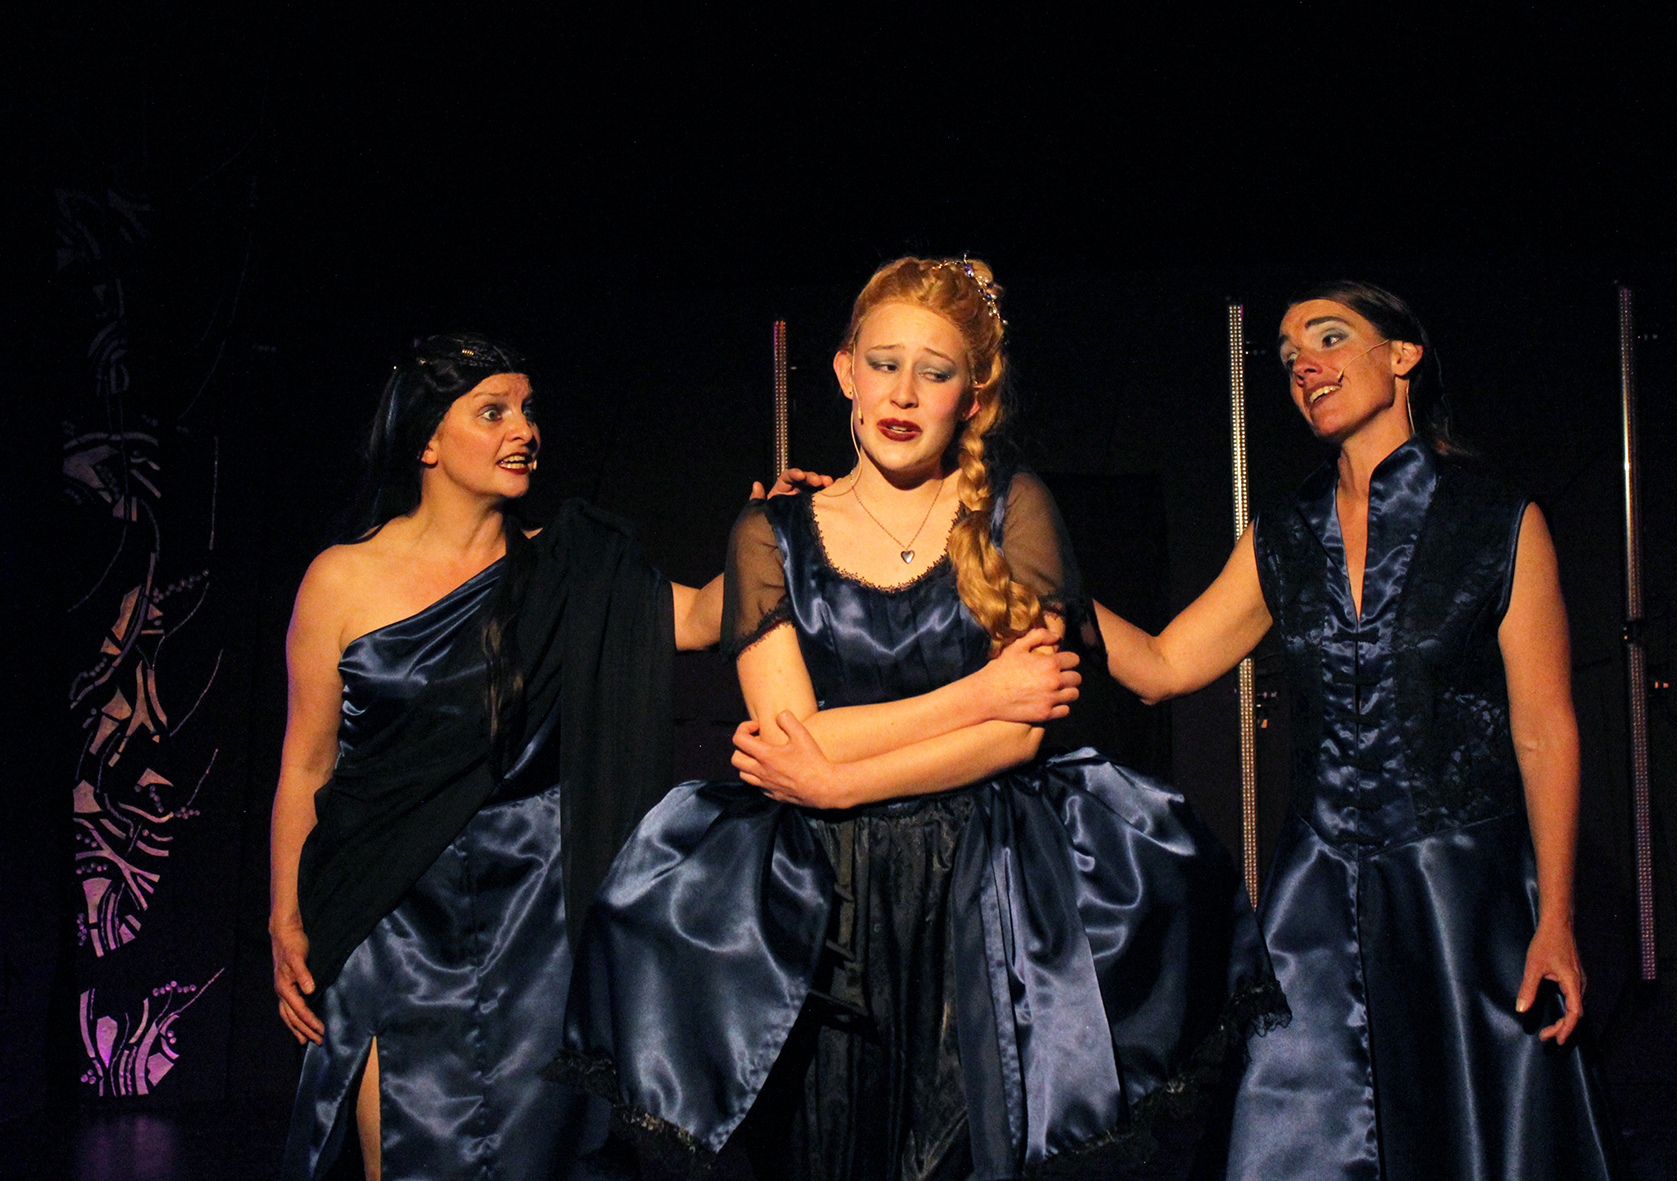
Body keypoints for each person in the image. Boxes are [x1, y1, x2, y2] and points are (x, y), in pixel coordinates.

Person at [548, 258, 1283, 1181]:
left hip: (991, 883)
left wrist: (845, 771)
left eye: (934, 373)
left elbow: (1020, 731)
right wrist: (973, 696)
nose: (903, 393)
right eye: (883, 364)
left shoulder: (1014, 510)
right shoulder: (769, 534)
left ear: (971, 397)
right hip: (828, 897)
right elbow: (796, 736)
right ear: (845, 371)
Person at [1095, 282, 1616, 1180]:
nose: (1304, 363)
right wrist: (1018, 578)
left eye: (1330, 338)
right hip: (1317, 902)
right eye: (1289, 354)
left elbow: (1545, 730)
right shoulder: (1286, 532)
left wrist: (1557, 918)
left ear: (1402, 355)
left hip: (1460, 901)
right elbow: (1162, 665)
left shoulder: (1498, 521)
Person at [269, 334, 732, 1180]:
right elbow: (306, 763)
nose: (524, 430)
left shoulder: (569, 569)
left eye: (527, 409)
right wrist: (285, 916)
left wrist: (778, 535)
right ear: (427, 441)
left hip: (534, 923)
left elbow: (702, 619)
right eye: (493, 412)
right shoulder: (340, 579)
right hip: (383, 911)